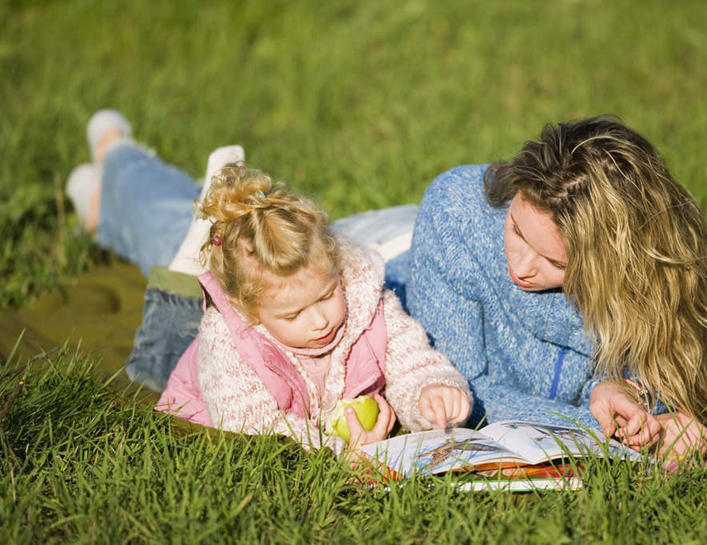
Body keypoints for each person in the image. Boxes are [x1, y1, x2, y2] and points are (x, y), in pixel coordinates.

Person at [66, 111, 471, 458]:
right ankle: (117, 151)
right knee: (155, 356)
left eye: (327, 295)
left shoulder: (364, 295)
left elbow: (410, 358)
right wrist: (340, 451)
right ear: (246, 309)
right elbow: (256, 429)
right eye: (293, 313)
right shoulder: (229, 341)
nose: (320, 322)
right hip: (196, 383)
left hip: (307, 394)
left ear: (335, 268)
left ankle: (101, 208)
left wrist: (430, 394)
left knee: (167, 238)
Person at [406, 116, 707, 458]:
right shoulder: (456, 215)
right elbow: (457, 394)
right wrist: (600, 431)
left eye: (556, 263)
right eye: (517, 231)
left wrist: (624, 397)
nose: (521, 268)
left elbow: (660, 380)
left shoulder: (645, 282)